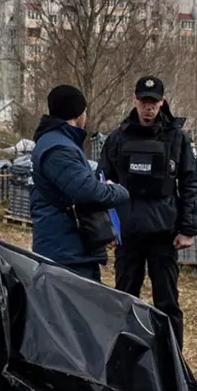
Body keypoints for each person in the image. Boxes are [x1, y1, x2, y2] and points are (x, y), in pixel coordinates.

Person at [97, 76, 197, 345]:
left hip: (163, 235)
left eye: (153, 102)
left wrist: (188, 229)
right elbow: (101, 182)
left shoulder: (177, 139)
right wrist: (104, 228)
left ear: (162, 103)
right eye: (144, 101)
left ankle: (172, 361)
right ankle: (120, 359)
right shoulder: (118, 138)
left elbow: (191, 182)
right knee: (124, 298)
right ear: (135, 101)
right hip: (128, 234)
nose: (148, 107)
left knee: (167, 301)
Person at [30, 84, 129, 282]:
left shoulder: (59, 143)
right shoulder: (59, 149)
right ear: (78, 113)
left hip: (70, 249)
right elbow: (87, 193)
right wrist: (117, 190)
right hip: (66, 254)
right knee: (74, 311)